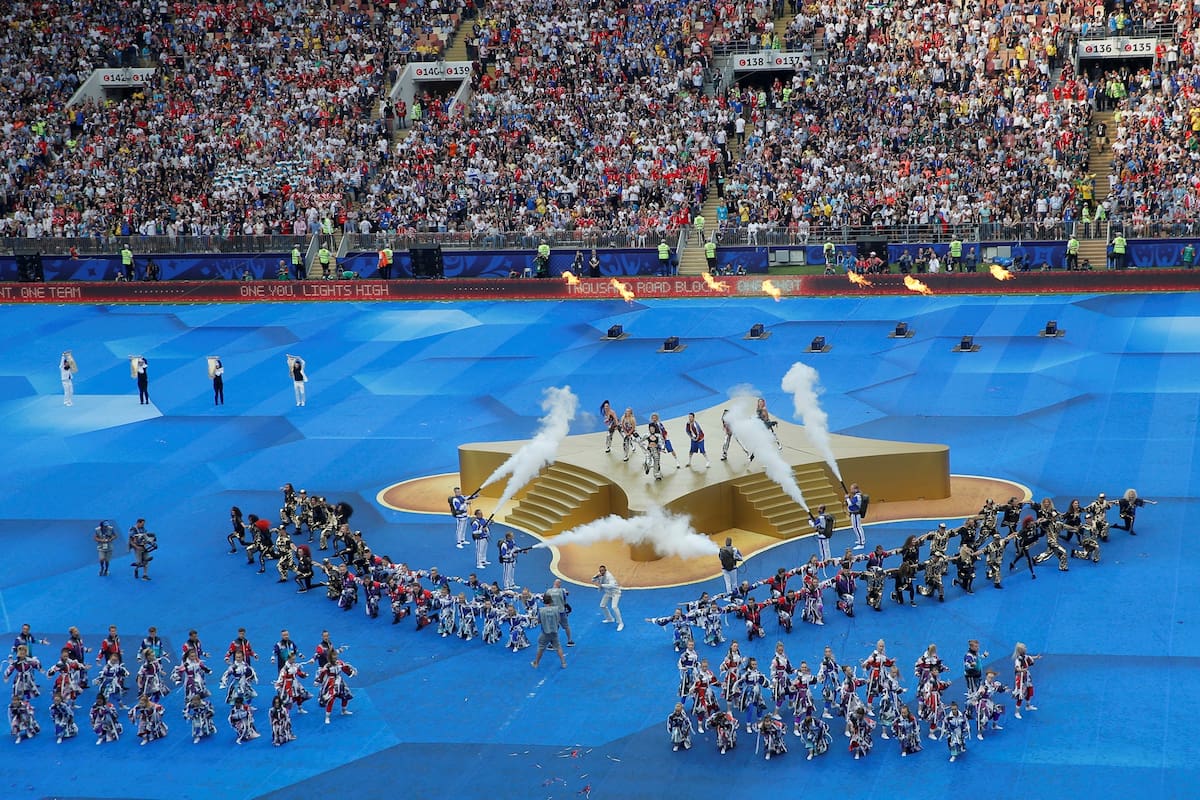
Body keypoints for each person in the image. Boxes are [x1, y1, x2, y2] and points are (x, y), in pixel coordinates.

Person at [530, 592, 567, 669]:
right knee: (558, 647)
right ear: (551, 601)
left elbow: (539, 621)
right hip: (554, 631)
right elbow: (558, 619)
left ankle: (536, 663)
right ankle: (563, 663)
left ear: (543, 601)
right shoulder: (556, 609)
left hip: (545, 632)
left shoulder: (541, 610)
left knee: (541, 647)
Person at [1011, 642, 1040, 719]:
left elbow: (1030, 657)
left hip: (1027, 677)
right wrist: (1021, 670)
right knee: (1020, 694)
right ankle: (1017, 712)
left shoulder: (1025, 657)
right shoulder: (1018, 660)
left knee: (1029, 691)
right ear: (1021, 650)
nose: (1026, 648)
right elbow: (1017, 668)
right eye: (1025, 648)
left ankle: (1028, 706)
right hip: (1021, 678)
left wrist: (1036, 657)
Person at [545, 579, 574, 646]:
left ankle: (551, 643)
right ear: (559, 584)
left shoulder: (548, 591)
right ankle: (569, 640)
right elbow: (565, 599)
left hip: (552, 612)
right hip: (561, 611)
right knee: (566, 626)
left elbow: (546, 603)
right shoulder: (562, 590)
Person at [593, 565, 623, 630]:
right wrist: (596, 577)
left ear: (605, 570)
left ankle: (621, 623)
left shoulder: (610, 576)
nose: (601, 572)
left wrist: (601, 585)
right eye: (600, 571)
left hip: (615, 593)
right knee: (602, 605)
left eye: (603, 570)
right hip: (608, 593)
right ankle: (610, 618)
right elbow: (593, 580)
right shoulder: (600, 575)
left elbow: (612, 585)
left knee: (614, 607)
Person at [845, 483, 866, 549]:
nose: (850, 490)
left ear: (856, 489)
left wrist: (847, 498)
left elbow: (850, 504)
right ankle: (861, 540)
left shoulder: (857, 496)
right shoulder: (857, 496)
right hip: (855, 514)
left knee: (856, 528)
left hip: (855, 514)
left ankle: (861, 544)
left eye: (852, 489)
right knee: (859, 527)